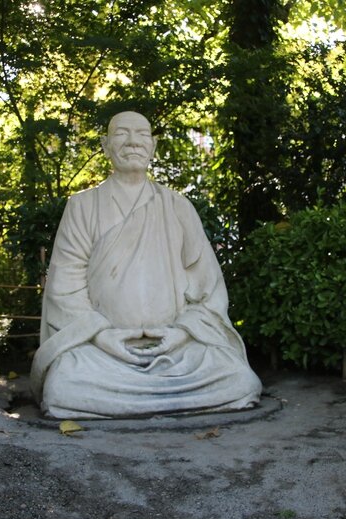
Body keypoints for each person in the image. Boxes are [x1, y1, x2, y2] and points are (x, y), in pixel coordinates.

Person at [30, 111, 262, 418]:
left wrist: (181, 333)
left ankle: (142, 395)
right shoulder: (82, 206)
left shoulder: (178, 206)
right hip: (102, 350)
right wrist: (101, 335)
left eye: (141, 135)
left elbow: (208, 288)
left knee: (239, 380)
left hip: (176, 348)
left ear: (152, 145)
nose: (132, 142)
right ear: (105, 144)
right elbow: (65, 286)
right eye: (122, 133)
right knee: (63, 385)